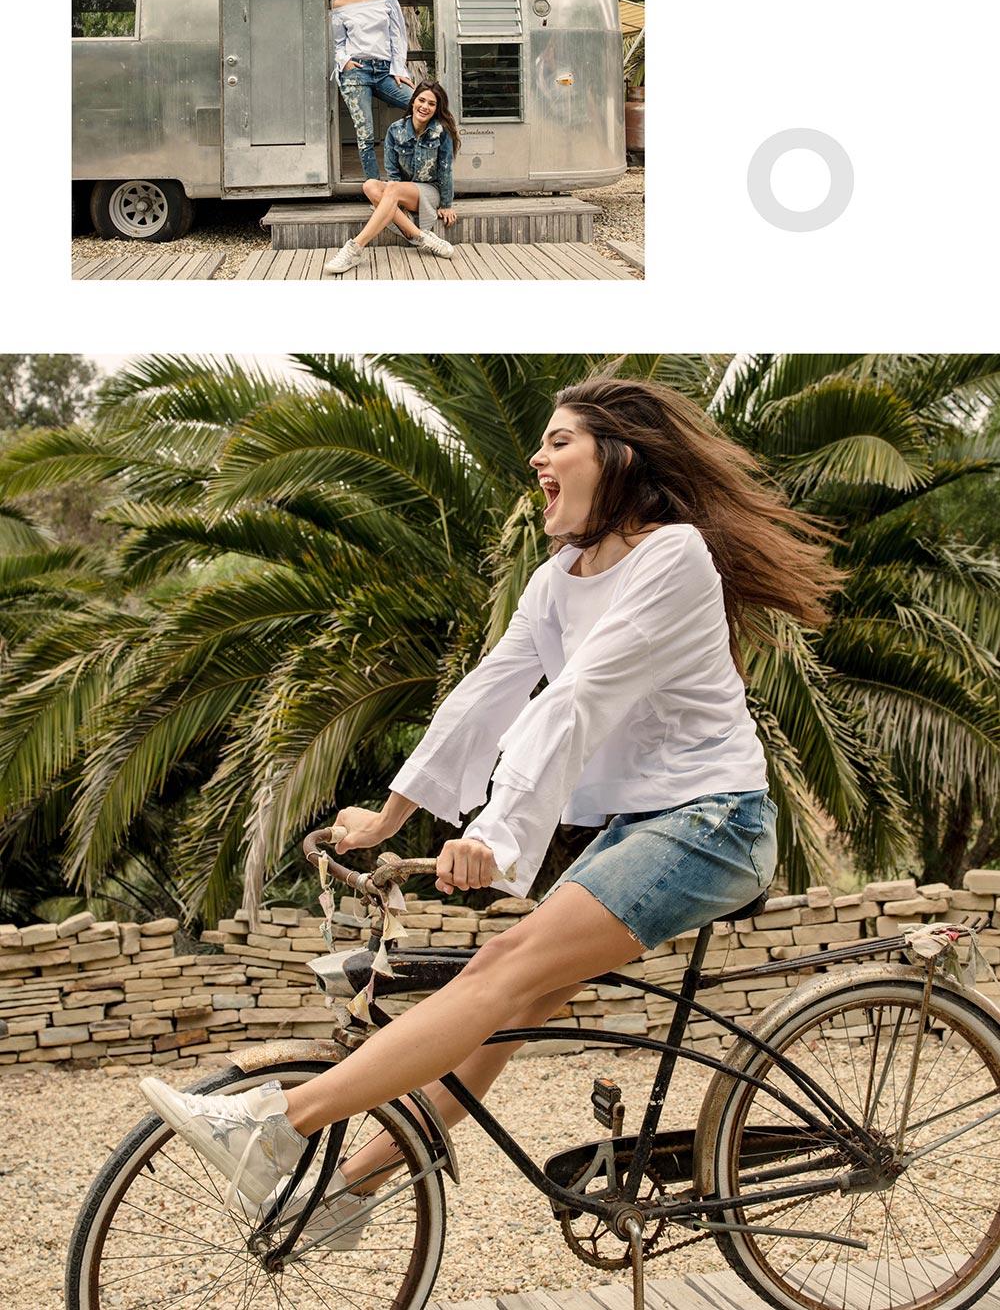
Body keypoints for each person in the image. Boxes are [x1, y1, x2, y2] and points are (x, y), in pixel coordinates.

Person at [140, 376, 845, 1223]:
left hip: (715, 823)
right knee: (505, 1005)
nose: (538, 459)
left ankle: (277, 1123)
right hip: (641, 829)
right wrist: (392, 816)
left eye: (559, 442)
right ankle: (346, 1194)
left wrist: (498, 835)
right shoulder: (556, 580)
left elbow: (580, 695)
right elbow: (485, 695)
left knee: (498, 970)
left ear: (619, 457)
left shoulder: (674, 555)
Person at [325, 82, 460, 274]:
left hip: (430, 190)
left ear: (437, 108)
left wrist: (446, 204)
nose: (425, 106)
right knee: (370, 186)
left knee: (392, 188)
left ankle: (355, 248)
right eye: (421, 100)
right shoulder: (395, 130)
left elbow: (445, 170)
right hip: (402, 191)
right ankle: (421, 237)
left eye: (431, 104)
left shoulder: (441, 131)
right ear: (413, 101)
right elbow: (393, 174)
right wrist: (398, 203)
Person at [329, 0, 415, 183]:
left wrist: (399, 69)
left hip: (385, 71)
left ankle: (408, 172)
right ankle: (375, 189)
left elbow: (398, 35)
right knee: (365, 135)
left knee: (418, 104)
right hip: (356, 72)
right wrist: (345, 62)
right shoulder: (340, 4)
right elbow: (338, 43)